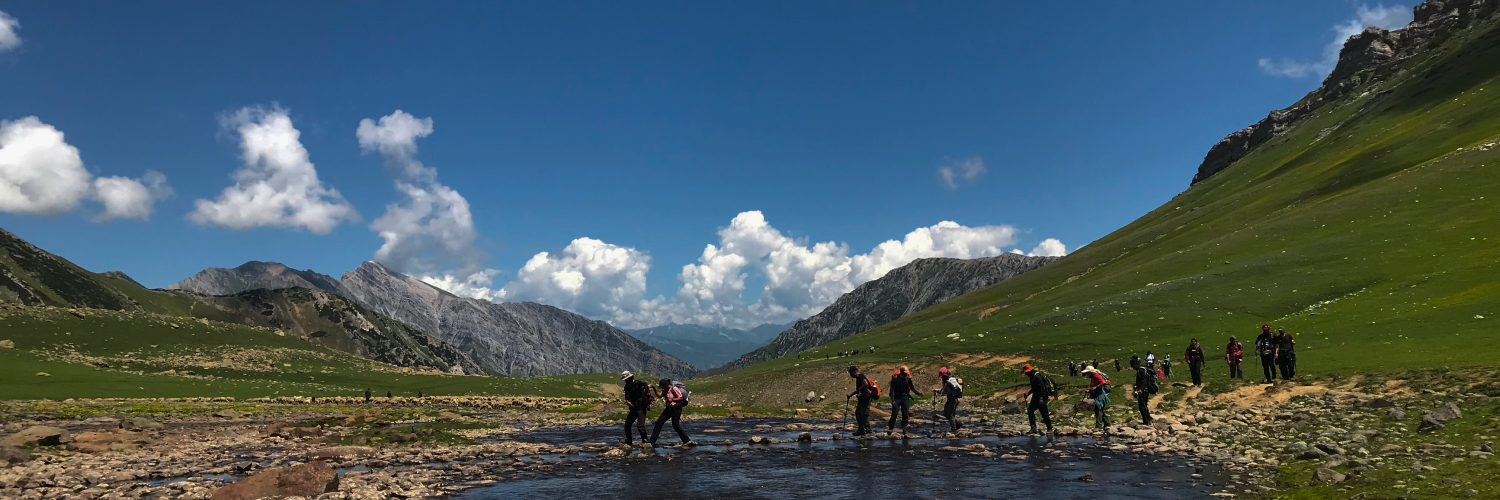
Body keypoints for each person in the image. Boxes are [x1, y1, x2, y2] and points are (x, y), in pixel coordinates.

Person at [650, 378, 694, 445]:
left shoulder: (674, 389)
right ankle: (652, 441)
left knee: (675, 425)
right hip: (669, 408)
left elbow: (680, 398)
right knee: (659, 422)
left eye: (662, 386)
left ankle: (686, 440)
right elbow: (659, 395)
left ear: (666, 385)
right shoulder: (665, 390)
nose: (662, 388)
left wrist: (672, 399)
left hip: (676, 408)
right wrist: (654, 388)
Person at [1019, 364, 1055, 435]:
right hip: (1035, 397)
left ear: (1029, 371)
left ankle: (1050, 428)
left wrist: (1041, 398)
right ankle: (1033, 428)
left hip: (1042, 397)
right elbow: (1034, 388)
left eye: (1026, 372)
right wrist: (1028, 394)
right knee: (1030, 410)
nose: (1026, 374)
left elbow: (1042, 388)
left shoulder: (1037, 377)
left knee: (1044, 413)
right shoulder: (1032, 377)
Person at [620, 371, 650, 446]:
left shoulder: (639, 384)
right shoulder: (627, 386)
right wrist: (627, 401)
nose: (625, 381)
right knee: (627, 424)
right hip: (633, 407)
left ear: (630, 378)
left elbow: (644, 394)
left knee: (640, 425)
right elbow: (626, 396)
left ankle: (645, 439)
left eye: (626, 379)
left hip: (641, 407)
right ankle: (629, 439)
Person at [846, 366, 875, 436]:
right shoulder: (859, 377)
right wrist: (851, 395)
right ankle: (861, 430)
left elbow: (866, 384)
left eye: (850, 373)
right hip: (862, 398)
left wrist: (858, 390)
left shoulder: (860, 376)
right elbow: (859, 389)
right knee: (858, 413)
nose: (851, 375)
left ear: (854, 372)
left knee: (864, 415)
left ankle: (869, 431)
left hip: (866, 398)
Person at [886, 366, 917, 434]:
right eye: (905, 372)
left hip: (905, 398)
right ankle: (891, 427)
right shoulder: (895, 379)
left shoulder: (908, 379)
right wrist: (893, 400)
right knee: (894, 413)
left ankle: (904, 428)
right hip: (897, 398)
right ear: (901, 372)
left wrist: (918, 393)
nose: (906, 374)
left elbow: (912, 388)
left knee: (905, 414)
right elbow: (893, 390)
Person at [933, 367, 964, 433]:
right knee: (946, 414)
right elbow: (944, 391)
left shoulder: (951, 379)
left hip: (953, 399)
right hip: (950, 399)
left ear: (945, 375)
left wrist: (950, 383)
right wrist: (937, 390)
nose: (941, 378)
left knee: (950, 415)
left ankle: (954, 429)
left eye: (942, 376)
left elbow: (957, 387)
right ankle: (958, 424)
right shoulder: (946, 381)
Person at [1131, 357, 1154, 425]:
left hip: (1144, 390)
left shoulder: (1141, 370)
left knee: (1142, 406)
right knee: (1143, 405)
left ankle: (1147, 421)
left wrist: (1141, 389)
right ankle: (1147, 419)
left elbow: (1144, 381)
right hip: (1144, 389)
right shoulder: (1141, 370)